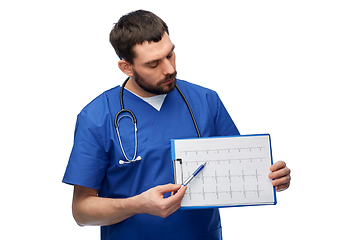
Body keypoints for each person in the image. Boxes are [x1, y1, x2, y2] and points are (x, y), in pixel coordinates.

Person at [62, 9, 291, 240]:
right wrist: (137, 205)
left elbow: (240, 174)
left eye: (170, 55)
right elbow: (82, 211)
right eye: (153, 64)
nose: (169, 69)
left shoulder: (205, 101)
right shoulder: (96, 117)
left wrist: (272, 178)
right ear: (127, 67)